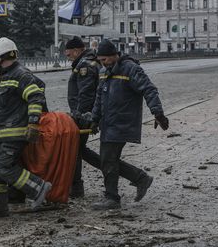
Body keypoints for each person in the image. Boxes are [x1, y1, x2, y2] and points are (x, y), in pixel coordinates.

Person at [90, 39, 169, 210]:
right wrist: (94, 120)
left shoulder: (130, 69)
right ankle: (140, 179)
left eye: (104, 60)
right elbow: (99, 98)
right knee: (108, 160)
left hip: (122, 121)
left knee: (108, 159)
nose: (102, 64)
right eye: (100, 60)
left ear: (114, 56)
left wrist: (158, 113)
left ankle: (113, 198)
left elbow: (149, 89)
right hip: (108, 123)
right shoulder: (104, 72)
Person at [0, 37, 52, 218]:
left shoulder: (20, 75)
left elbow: (36, 96)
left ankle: (38, 188)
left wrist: (33, 123)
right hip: (2, 133)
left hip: (14, 133)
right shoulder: (8, 76)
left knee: (2, 166)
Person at [64, 36, 101, 198]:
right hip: (84, 115)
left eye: (69, 52)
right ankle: (76, 187)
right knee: (78, 150)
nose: (67, 55)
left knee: (75, 149)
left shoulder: (85, 65)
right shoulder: (85, 62)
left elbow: (85, 95)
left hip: (84, 116)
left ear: (78, 50)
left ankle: (76, 188)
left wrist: (79, 116)